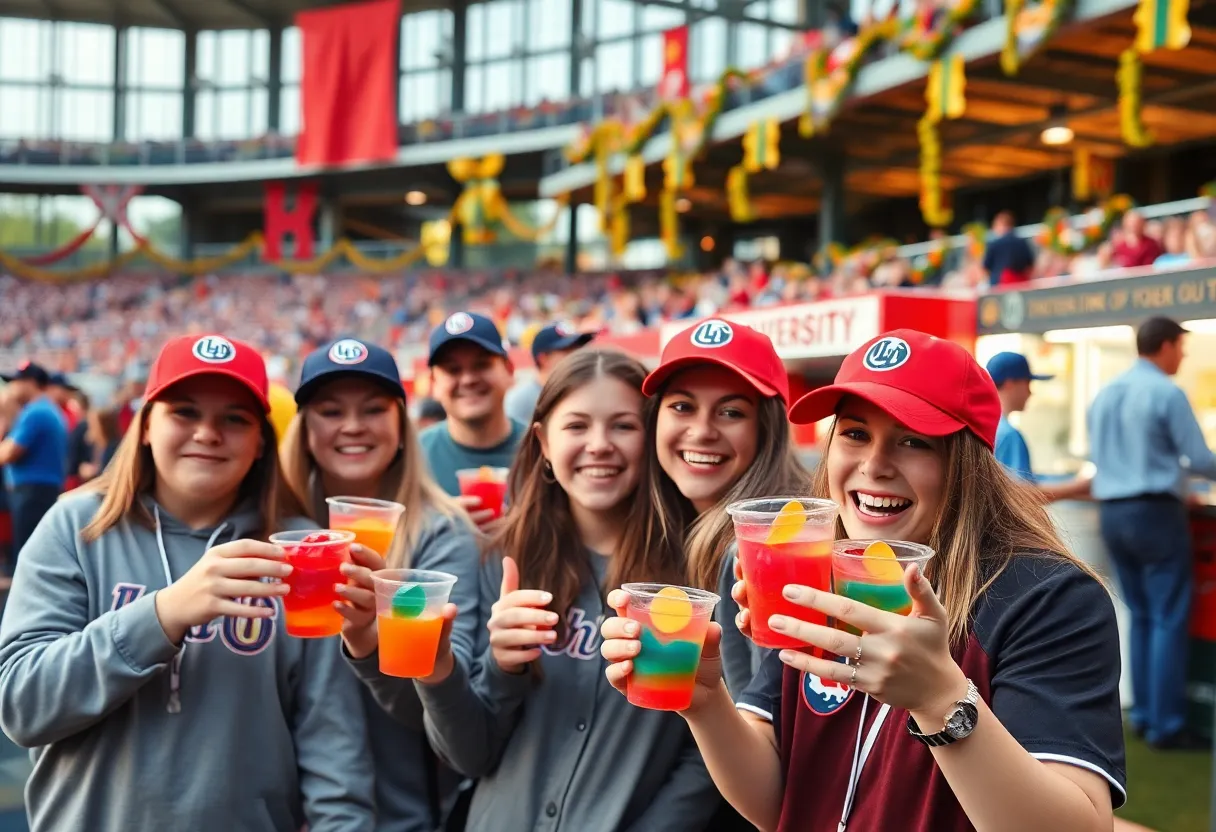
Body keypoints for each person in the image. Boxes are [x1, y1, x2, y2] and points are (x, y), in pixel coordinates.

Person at [602, 329, 1126, 831]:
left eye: (914, 441)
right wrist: (707, 703)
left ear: (966, 464)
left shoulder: (1047, 596)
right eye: (854, 434)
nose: (874, 465)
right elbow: (776, 803)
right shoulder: (811, 574)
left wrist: (942, 700)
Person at [0, 333, 375, 831]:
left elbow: (335, 752)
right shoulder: (75, 526)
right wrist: (162, 615)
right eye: (184, 412)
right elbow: (22, 707)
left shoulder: (302, 552)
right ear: (146, 426)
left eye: (234, 419)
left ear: (261, 442)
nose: (207, 434)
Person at [377, 348, 717, 831]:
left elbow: (704, 754)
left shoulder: (696, 569)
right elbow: (469, 756)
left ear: (653, 437)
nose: (599, 444)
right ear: (543, 444)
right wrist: (462, 671)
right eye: (576, 426)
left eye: (622, 425)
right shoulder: (503, 560)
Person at [279, 337, 480, 831]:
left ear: (400, 426)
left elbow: (443, 722)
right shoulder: (278, 530)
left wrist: (371, 644)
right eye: (330, 411)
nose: (352, 426)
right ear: (305, 430)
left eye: (373, 409)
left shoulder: (443, 539)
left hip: (401, 816)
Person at [642, 318, 810, 698]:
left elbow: (765, 737)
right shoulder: (666, 523)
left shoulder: (772, 544)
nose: (702, 431)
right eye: (683, 406)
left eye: (731, 412)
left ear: (766, 430)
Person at [1089, 316, 1216, 750]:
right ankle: (1167, 725)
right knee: (1167, 616)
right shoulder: (1166, 391)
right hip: (1156, 515)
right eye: (1181, 346)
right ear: (1164, 345)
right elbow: (1199, 459)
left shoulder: (1106, 393)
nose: (1182, 355)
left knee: (1141, 614)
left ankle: (1144, 715)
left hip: (1112, 512)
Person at [420, 311, 526, 520]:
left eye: (482, 365)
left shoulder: (545, 450)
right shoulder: (412, 458)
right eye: (453, 370)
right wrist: (438, 528)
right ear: (433, 383)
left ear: (509, 370)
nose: (468, 379)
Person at [986, 351, 1090, 501]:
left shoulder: (986, 427)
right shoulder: (1007, 434)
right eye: (1027, 384)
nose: (1030, 392)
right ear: (1009, 384)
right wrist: (1079, 486)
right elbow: (1022, 495)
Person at [0, 362, 68, 564]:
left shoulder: (35, 412)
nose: (12, 388)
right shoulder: (44, 409)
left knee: (28, 558)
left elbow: (9, 453)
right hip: (39, 490)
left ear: (30, 383)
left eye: (17, 382)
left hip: (32, 493)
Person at [504, 321, 596, 424]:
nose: (577, 357)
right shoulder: (522, 401)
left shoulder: (581, 392)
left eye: (578, 350)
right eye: (568, 351)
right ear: (544, 359)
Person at [982, 211, 1035, 285]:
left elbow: (985, 267)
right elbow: (1030, 266)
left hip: (999, 285)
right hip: (1021, 284)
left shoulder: (994, 244)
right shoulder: (1021, 242)